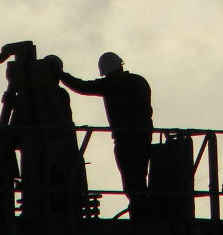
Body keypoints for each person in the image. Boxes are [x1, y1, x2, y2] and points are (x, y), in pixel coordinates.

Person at [60, 52, 153, 218]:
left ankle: (141, 214)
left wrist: (61, 75)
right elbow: (147, 111)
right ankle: (142, 211)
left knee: (132, 181)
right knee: (138, 177)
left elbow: (84, 87)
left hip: (126, 140)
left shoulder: (112, 85)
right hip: (143, 137)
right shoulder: (139, 81)